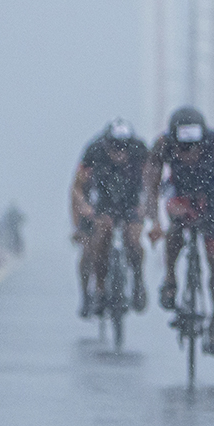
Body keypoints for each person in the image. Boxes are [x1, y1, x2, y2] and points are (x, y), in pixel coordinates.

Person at [143, 106, 214, 356]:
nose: (188, 155)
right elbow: (151, 188)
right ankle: (170, 279)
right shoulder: (162, 145)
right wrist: (155, 222)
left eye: (194, 148)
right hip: (180, 194)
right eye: (182, 149)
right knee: (176, 226)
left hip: (212, 198)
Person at [70, 118, 151, 318]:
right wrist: (83, 208)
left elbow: (152, 183)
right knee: (96, 242)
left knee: (133, 240)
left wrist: (146, 206)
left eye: (123, 147)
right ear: (106, 144)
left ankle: (138, 280)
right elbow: (77, 188)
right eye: (114, 147)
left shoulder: (140, 151)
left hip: (130, 201)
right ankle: (96, 291)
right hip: (102, 202)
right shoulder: (94, 152)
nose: (119, 152)